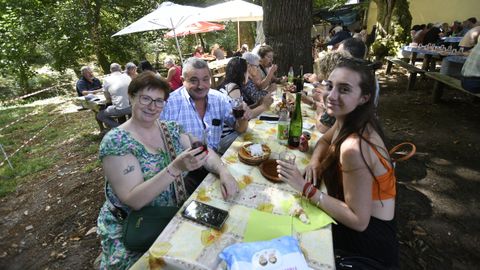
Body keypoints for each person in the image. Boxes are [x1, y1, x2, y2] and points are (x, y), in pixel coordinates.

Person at [96, 71, 239, 269]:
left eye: (159, 101)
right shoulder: (117, 142)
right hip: (133, 226)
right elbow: (134, 200)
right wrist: (175, 168)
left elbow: (204, 152)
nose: (152, 106)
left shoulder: (170, 129)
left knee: (222, 241)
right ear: (131, 97)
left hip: (171, 214)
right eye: (145, 98)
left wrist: (224, 173)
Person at [277, 59, 399, 268]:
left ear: (364, 98)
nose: (331, 96)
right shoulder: (351, 120)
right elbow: (324, 140)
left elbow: (358, 221)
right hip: (366, 225)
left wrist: (303, 186)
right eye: (330, 86)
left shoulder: (354, 147)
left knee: (285, 231)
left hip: (368, 243)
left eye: (344, 89)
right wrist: (315, 162)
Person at [160, 57, 249, 152]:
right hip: (185, 164)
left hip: (214, 158)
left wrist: (242, 117)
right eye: (193, 80)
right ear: (182, 80)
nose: (200, 86)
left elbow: (240, 128)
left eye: (205, 80)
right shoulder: (168, 105)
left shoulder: (219, 99)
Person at [217, 57, 273, 154]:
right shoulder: (233, 89)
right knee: (262, 139)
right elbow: (242, 121)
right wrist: (263, 106)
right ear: (242, 73)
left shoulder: (227, 84)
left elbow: (240, 113)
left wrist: (257, 104)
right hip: (225, 139)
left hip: (224, 135)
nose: (249, 74)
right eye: (247, 71)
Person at [97, 63, 132, 129]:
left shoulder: (107, 79)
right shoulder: (127, 77)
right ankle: (126, 126)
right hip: (132, 106)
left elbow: (107, 98)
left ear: (110, 70)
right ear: (120, 69)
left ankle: (120, 127)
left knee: (100, 115)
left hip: (120, 109)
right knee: (120, 106)